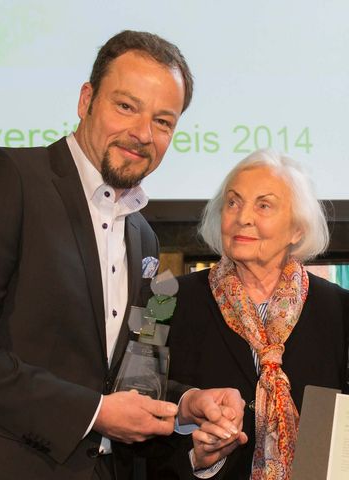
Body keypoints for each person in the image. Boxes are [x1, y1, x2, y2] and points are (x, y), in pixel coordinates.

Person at [0, 30, 245, 480]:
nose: (143, 133)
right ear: (86, 100)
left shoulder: (142, 235)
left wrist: (186, 403)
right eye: (126, 106)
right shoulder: (6, 178)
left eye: (163, 121)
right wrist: (94, 412)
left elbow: (115, 374)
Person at [148, 149, 349, 479]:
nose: (243, 217)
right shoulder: (160, 296)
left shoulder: (340, 308)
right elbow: (131, 394)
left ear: (297, 230)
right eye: (233, 202)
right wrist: (196, 459)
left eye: (264, 205)